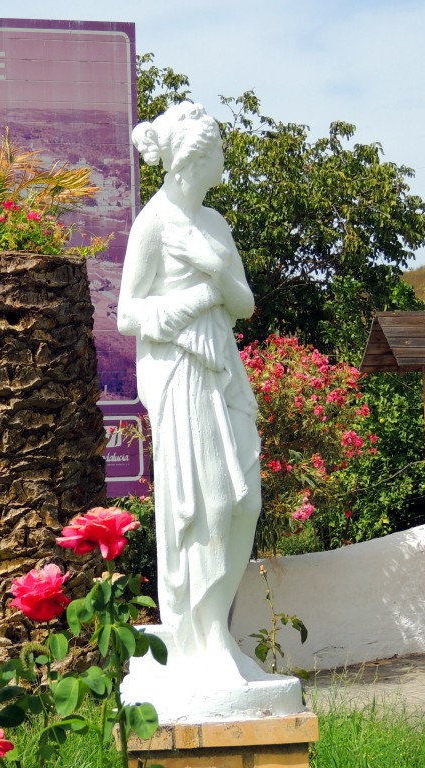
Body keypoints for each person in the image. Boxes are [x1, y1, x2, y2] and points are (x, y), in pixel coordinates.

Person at [117, 102, 267, 683]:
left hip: (222, 367)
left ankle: (217, 633)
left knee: (244, 499)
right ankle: (204, 639)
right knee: (207, 504)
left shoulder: (215, 224)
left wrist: (218, 275)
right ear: (190, 161)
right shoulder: (153, 223)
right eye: (217, 155)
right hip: (179, 372)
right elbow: (129, 312)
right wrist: (200, 298)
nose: (224, 165)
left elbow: (245, 303)